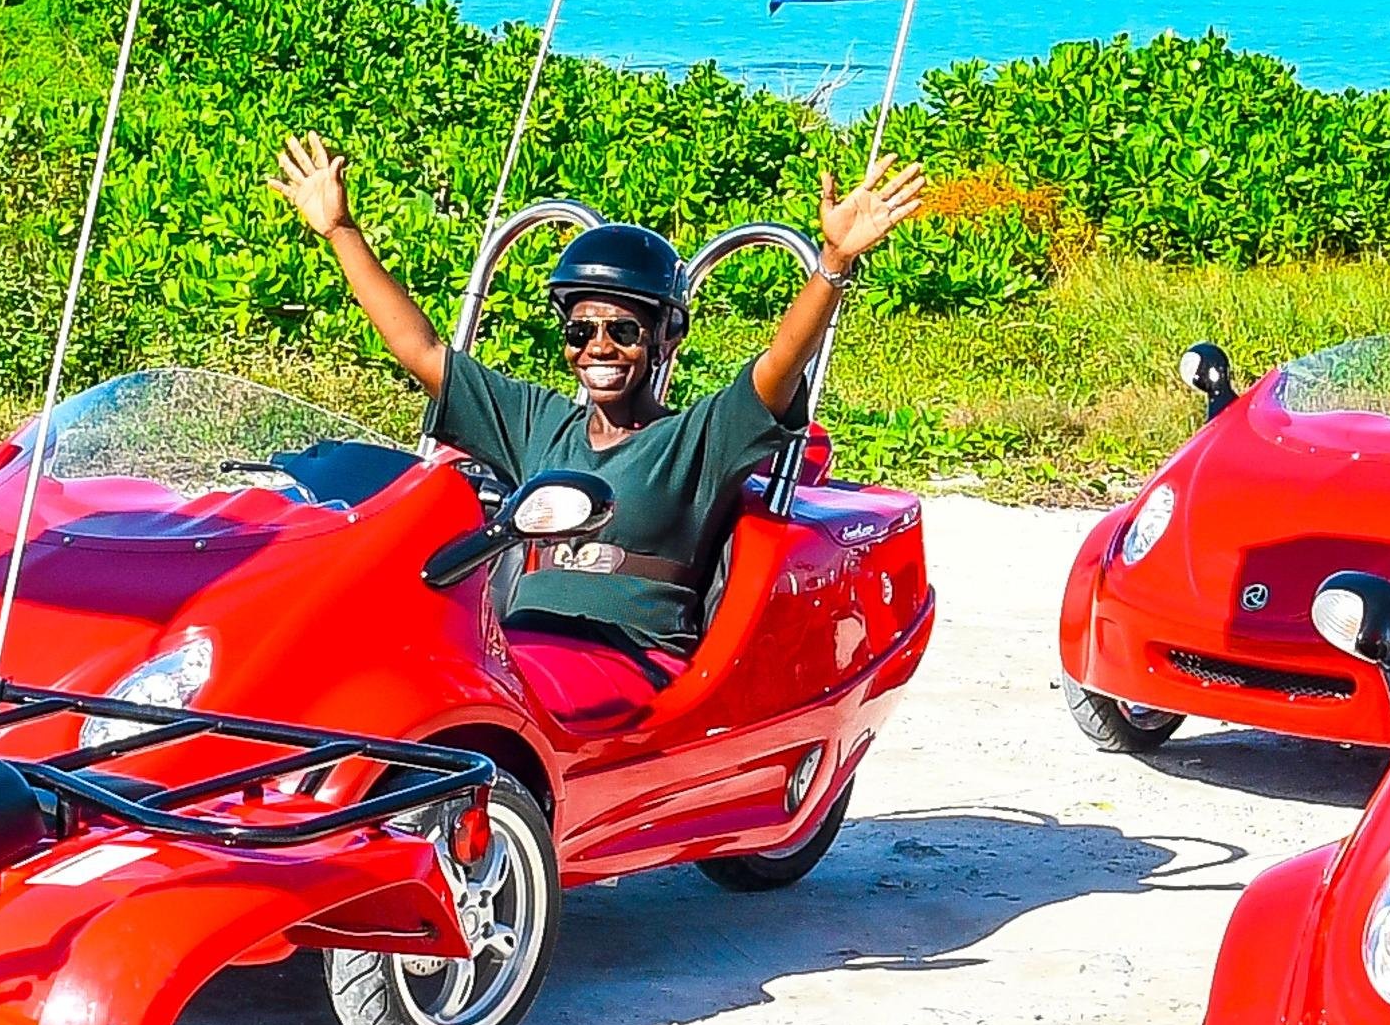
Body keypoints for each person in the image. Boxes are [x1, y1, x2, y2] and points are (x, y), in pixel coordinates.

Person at [272, 135, 924, 661]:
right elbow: (421, 351)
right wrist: (340, 231)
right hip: (516, 652)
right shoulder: (539, 425)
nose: (599, 348)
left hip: (625, 661)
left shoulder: (696, 440)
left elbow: (781, 361)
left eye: (623, 330)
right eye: (581, 331)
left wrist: (833, 263)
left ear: (666, 337)